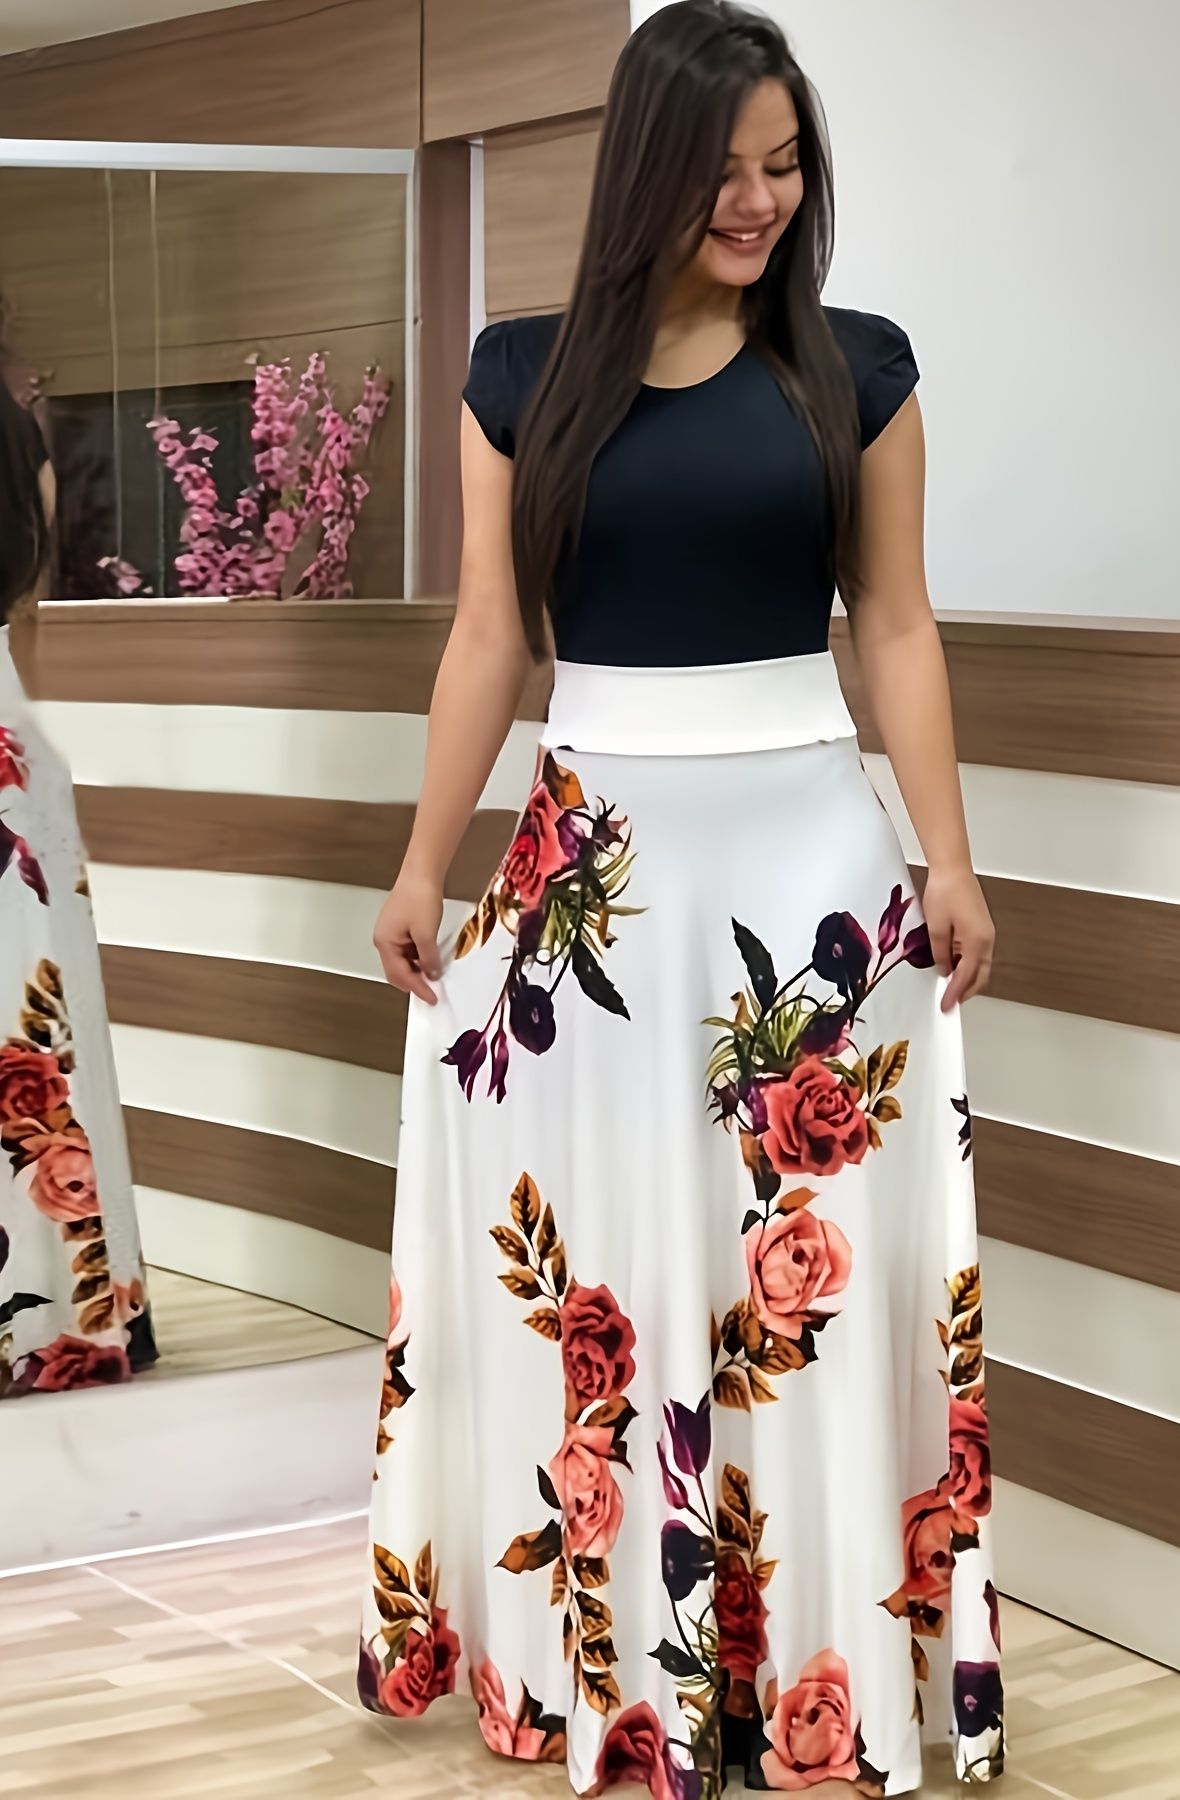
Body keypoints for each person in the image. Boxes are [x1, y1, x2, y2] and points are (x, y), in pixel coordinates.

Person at [359, 3, 1003, 1791]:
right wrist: (423, 859)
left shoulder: (858, 367)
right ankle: (616, 1687)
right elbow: (489, 637)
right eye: (726, 167)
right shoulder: (520, 373)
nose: (760, 199)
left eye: (786, 166)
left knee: (799, 1300)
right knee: (608, 1277)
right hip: (596, 887)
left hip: (812, 880)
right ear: (646, 165)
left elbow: (896, 625)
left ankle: (809, 1685)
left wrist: (947, 855)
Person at [0, 354, 157, 1398]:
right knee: (39, 1040)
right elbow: (26, 617)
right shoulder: (22, 439)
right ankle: (58, 1315)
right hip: (13, 754)